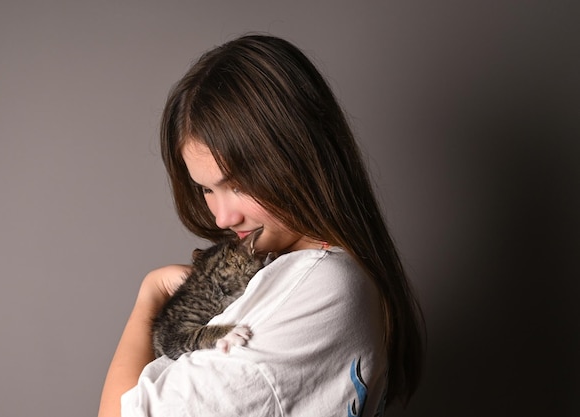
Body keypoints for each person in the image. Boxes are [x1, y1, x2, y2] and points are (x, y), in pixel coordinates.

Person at [98, 34, 425, 417]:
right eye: (206, 189)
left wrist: (149, 295)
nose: (222, 218)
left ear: (299, 157)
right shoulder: (338, 277)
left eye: (237, 184)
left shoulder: (317, 287)